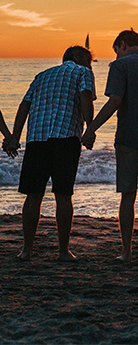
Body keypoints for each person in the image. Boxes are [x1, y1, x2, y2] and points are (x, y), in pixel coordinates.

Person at [82, 30, 138, 263]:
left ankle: (127, 252)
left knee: (128, 195)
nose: (117, 55)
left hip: (129, 137)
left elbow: (115, 101)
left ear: (122, 45)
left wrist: (91, 128)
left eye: (117, 50)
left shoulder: (119, 67)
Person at [5, 46, 95, 261]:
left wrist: (15, 137)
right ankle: (63, 251)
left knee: (33, 195)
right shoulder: (83, 72)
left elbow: (24, 105)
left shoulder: (42, 75)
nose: (91, 63)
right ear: (77, 57)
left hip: (37, 139)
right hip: (65, 138)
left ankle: (26, 250)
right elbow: (85, 97)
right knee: (63, 195)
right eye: (89, 59)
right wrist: (90, 128)